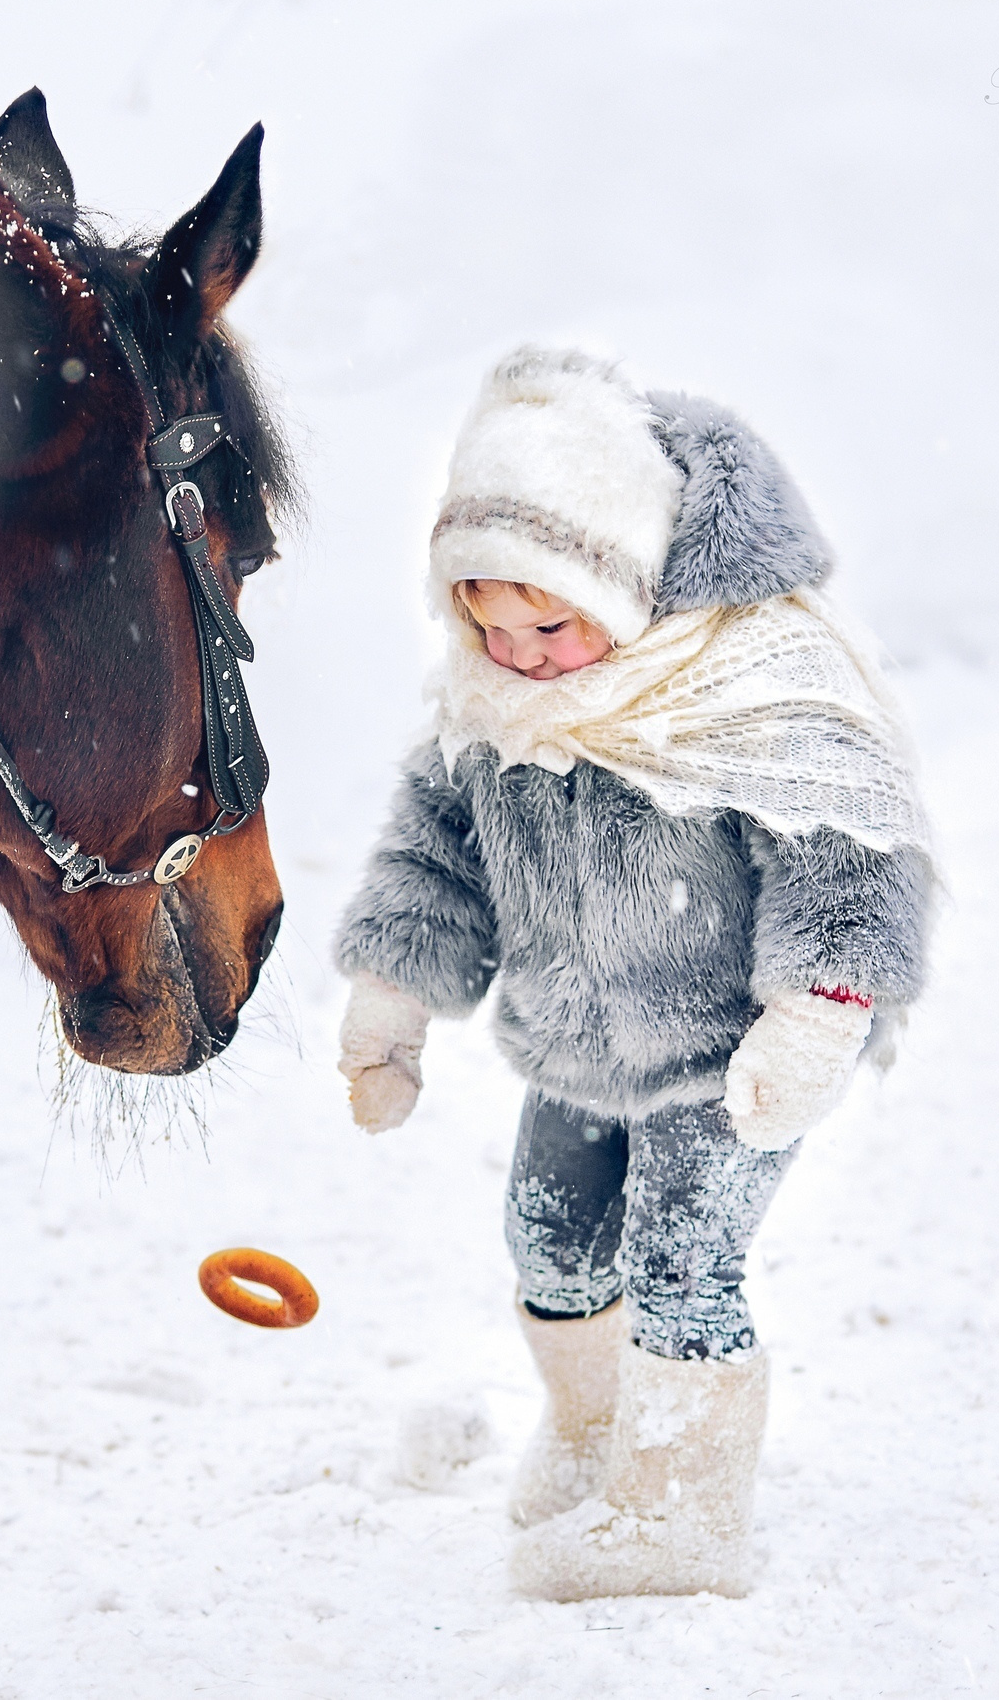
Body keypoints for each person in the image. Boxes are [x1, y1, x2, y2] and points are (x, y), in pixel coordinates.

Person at [333, 346, 936, 1600]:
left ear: (622, 578)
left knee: (681, 1260)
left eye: (548, 623)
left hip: (732, 1054)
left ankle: (682, 1511)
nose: (522, 658)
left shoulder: (747, 688)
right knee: (548, 1243)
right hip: (577, 1046)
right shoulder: (491, 708)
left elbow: (847, 854)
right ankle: (600, 1434)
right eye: (488, 627)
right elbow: (432, 859)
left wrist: (816, 1014)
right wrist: (389, 1004)